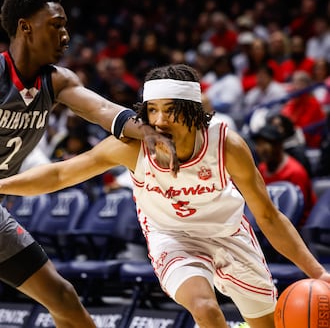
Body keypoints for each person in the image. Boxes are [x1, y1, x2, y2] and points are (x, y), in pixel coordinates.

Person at [0, 63, 329, 328]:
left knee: (266, 324)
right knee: (205, 309)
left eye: (170, 111)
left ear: (192, 111)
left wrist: (318, 273)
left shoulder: (226, 145)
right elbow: (60, 173)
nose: (158, 120)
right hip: (172, 238)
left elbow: (269, 216)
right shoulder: (132, 147)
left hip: (229, 235)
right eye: (152, 110)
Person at [0, 0, 178, 327]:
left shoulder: (57, 82)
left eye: (65, 25)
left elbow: (105, 111)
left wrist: (149, 133)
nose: (66, 35)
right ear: (25, 27)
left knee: (63, 298)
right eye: (56, 25)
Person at [251, 124, 316, 226]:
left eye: (266, 144)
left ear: (279, 145)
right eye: (259, 144)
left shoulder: (295, 172)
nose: (261, 149)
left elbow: (298, 212)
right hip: (271, 224)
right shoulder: (262, 169)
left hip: (299, 228)